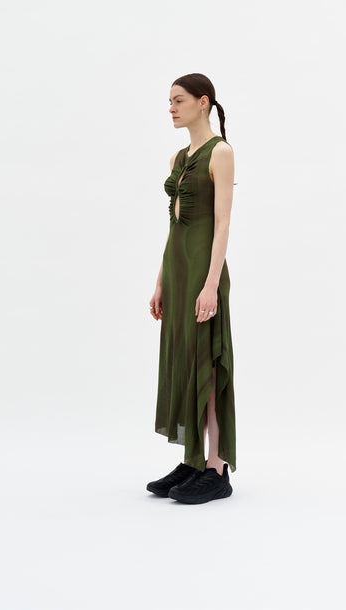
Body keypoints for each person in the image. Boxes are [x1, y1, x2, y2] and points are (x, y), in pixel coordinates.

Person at [146, 73, 236, 505]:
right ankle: (192, 458)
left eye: (178, 100)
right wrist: (161, 280)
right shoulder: (177, 158)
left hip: (204, 271)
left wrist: (212, 283)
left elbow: (222, 223)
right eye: (169, 101)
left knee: (208, 365)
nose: (171, 108)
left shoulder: (221, 152)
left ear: (203, 102)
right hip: (178, 272)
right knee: (184, 362)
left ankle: (216, 468)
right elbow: (173, 224)